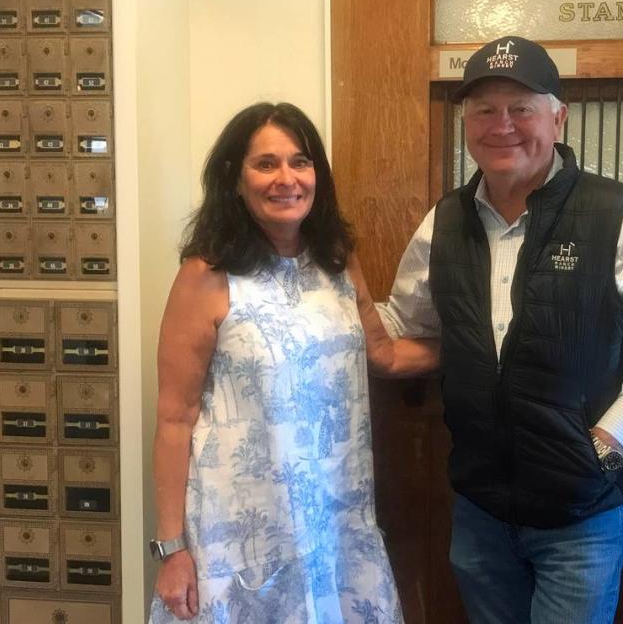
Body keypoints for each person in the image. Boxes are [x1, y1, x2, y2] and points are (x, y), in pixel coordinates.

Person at [373, 36, 623, 624]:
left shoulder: (621, 216)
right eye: (484, 110)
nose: (502, 125)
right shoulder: (443, 223)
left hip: (582, 511)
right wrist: (320, 283)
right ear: (465, 123)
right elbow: (405, 324)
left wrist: (605, 443)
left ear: (558, 117)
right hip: (480, 510)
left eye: (521, 108)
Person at [149, 102, 425, 623]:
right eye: (266, 164)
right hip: (241, 532)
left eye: (300, 162)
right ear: (234, 178)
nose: (286, 179)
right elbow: (174, 418)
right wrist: (171, 549)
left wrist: (484, 346)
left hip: (336, 519)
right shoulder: (206, 276)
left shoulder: (338, 260)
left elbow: (383, 353)